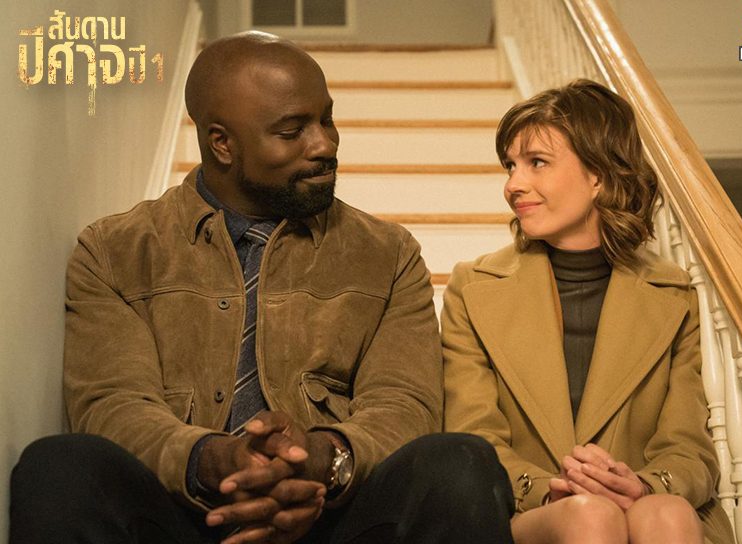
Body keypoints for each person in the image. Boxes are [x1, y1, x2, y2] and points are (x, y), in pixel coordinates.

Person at [10, 32, 515, 544]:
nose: (324, 144)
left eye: (327, 119)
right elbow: (113, 408)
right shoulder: (114, 252)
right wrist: (218, 462)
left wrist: (318, 460)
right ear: (222, 144)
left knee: (460, 462)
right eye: (292, 131)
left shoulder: (388, 254)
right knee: (58, 467)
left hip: (332, 518)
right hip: (183, 517)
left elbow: (405, 405)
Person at [442, 79, 734, 544]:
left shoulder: (674, 294)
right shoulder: (472, 289)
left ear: (598, 175)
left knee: (666, 513)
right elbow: (474, 437)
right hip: (528, 511)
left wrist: (640, 485)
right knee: (589, 517)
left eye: (537, 162)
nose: (514, 185)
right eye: (511, 166)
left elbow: (688, 447)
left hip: (650, 513)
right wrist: (554, 490)